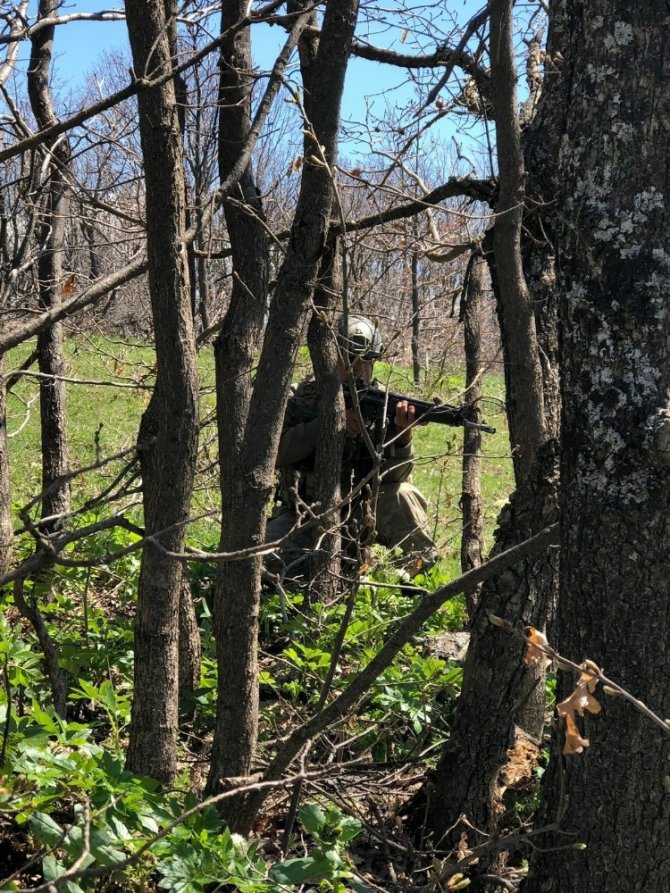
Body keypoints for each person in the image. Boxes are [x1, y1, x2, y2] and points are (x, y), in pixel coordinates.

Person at [264, 315, 437, 588]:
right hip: (304, 515)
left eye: (367, 360)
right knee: (263, 559)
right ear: (329, 357)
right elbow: (275, 454)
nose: (359, 369)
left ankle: (398, 587)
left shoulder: (382, 403)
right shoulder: (300, 398)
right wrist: (330, 423)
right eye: (350, 359)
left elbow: (395, 479)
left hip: (362, 512)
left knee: (405, 495)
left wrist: (402, 437)